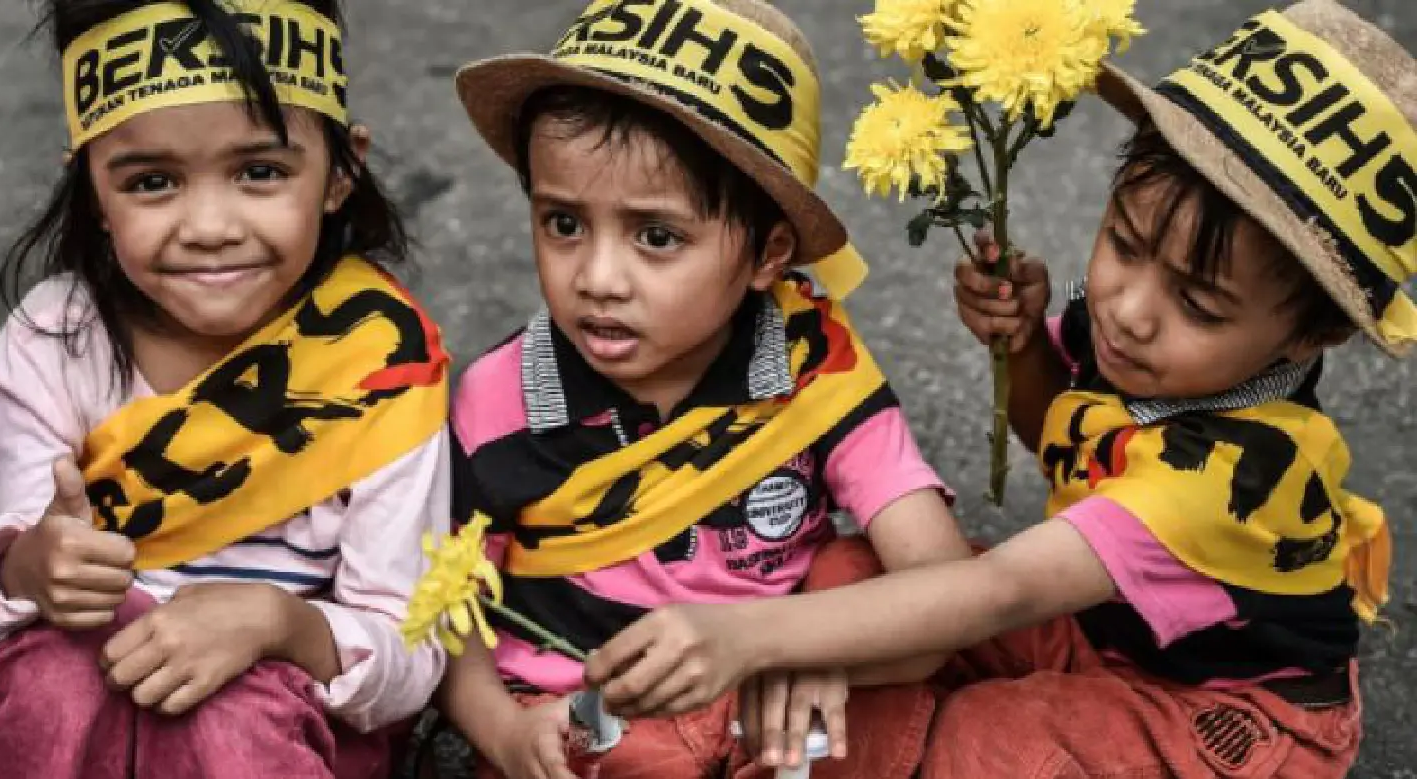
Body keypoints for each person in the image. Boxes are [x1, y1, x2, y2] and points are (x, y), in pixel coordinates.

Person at [583, 1, 1413, 776]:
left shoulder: (1233, 474)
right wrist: (1023, 347)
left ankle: (848, 734)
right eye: (1123, 242)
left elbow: (998, 592)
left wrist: (744, 636)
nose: (1130, 309)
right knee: (848, 566)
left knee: (983, 736)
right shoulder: (1151, 349)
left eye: (1197, 303)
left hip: (1220, 716)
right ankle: (832, 725)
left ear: (1314, 334)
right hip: (1107, 630)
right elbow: (1054, 429)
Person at [434, 1, 972, 777]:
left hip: (772, 697)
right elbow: (440, 613)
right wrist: (506, 735)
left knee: (863, 581)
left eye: (657, 236)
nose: (597, 278)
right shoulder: (497, 402)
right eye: (562, 223)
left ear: (768, 255)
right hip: (593, 726)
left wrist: (818, 647)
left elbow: (944, 581)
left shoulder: (812, 363)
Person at [0, 2, 451, 776]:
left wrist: (283, 624)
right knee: (52, 678)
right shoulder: (54, 339)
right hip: (84, 691)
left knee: (228, 718)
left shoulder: (377, 358)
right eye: (153, 181)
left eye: (259, 172)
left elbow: (411, 652)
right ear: (93, 188)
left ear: (341, 172)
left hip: (278, 719)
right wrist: (27, 564)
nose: (208, 225)